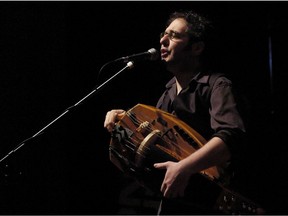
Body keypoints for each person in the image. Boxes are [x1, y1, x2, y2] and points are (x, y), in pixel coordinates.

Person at [104, 10, 250, 215]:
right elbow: (157, 146)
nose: (163, 40)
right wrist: (125, 121)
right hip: (177, 204)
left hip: (214, 202)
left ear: (197, 47)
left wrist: (185, 167)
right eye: (164, 34)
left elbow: (230, 139)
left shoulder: (218, 85)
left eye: (174, 36)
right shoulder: (167, 94)